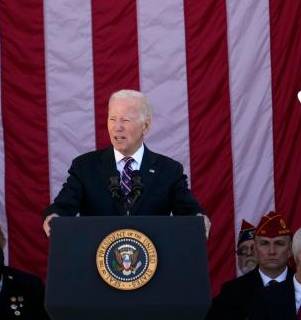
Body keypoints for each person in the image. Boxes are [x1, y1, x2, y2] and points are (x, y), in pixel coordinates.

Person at [42, 90, 207, 237]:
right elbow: (63, 207)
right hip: (97, 262)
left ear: (146, 125)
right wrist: (54, 216)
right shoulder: (85, 166)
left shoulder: (169, 170)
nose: (117, 127)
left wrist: (199, 218)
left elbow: (188, 211)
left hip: (153, 263)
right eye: (112, 119)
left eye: (125, 120)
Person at [199, 212, 293, 320]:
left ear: (290, 250)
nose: (272, 251)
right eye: (265, 244)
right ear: (255, 249)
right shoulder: (231, 293)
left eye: (279, 243)